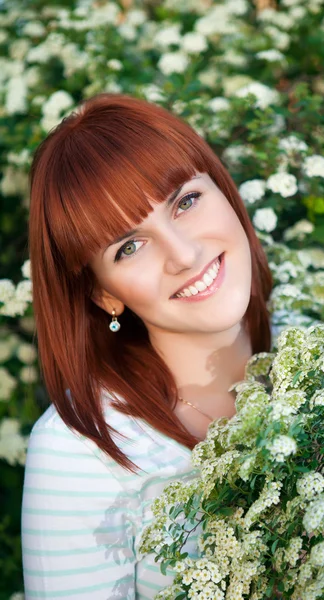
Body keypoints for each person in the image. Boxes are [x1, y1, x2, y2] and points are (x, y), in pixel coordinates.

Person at [21, 93, 273, 599]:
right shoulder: (81, 452)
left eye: (185, 201)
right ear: (103, 292)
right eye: (129, 247)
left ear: (223, 191)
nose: (183, 255)